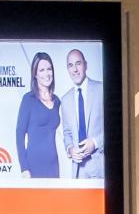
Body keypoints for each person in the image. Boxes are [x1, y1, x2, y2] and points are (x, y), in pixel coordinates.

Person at [58, 48, 104, 182]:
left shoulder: (102, 89)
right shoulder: (65, 99)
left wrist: (95, 143)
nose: (75, 69)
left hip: (100, 164)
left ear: (86, 65)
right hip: (79, 170)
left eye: (78, 63)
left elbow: (115, 127)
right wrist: (70, 149)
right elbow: (67, 133)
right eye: (70, 65)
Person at [15, 51, 62, 179]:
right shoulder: (28, 99)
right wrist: (24, 168)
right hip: (34, 165)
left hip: (53, 164)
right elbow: (19, 134)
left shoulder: (57, 101)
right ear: (35, 74)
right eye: (41, 70)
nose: (46, 74)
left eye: (49, 69)